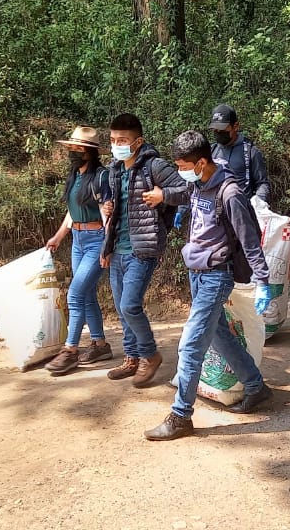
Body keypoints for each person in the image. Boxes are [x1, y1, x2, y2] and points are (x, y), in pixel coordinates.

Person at [144, 130, 275, 441]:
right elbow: (184, 193)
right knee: (218, 334)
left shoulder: (230, 194)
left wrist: (263, 281)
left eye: (183, 165)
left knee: (190, 344)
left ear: (201, 162)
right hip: (197, 270)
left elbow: (249, 240)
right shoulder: (199, 180)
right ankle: (255, 386)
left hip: (217, 274)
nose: (181, 171)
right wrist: (168, 201)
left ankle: (180, 416)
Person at [100, 113, 189, 388]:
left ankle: (149, 355)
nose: (117, 145)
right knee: (121, 307)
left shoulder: (155, 166)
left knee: (129, 305)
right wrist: (107, 215)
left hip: (144, 246)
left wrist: (163, 196)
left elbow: (187, 189)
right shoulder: (114, 169)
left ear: (138, 142)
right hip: (118, 248)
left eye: (123, 140)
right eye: (113, 140)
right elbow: (116, 208)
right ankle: (132, 357)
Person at [43, 126, 112, 375]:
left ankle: (70, 350)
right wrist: (59, 236)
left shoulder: (102, 177)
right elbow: (71, 212)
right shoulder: (74, 175)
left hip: (96, 240)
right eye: (71, 147)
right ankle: (100, 344)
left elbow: (108, 214)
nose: (72, 151)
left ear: (90, 152)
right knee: (87, 293)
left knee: (74, 294)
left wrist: (107, 245)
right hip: (78, 239)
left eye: (77, 148)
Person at [207, 104, 271, 202]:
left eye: (223, 128)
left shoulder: (251, 152)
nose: (218, 132)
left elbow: (262, 183)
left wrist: (258, 203)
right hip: (216, 210)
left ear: (235, 126)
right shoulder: (212, 151)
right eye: (215, 129)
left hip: (241, 210)